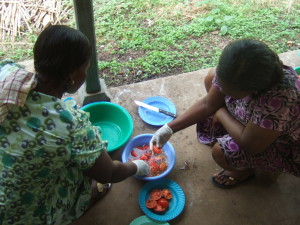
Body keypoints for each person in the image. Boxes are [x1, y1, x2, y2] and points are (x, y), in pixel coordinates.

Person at [0, 25, 149, 225]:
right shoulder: (71, 126)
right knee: (85, 163)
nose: (86, 74)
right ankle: (83, 199)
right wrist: (138, 166)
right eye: (85, 69)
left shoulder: (7, 73)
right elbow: (109, 173)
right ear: (72, 75)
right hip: (21, 214)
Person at [150, 39, 300, 189]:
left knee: (221, 152)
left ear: (252, 91)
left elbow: (250, 144)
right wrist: (169, 128)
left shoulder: (278, 100)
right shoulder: (248, 72)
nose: (219, 88)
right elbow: (208, 103)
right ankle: (231, 125)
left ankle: (245, 170)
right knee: (211, 76)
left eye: (228, 91)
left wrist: (221, 113)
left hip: (279, 140)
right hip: (259, 122)